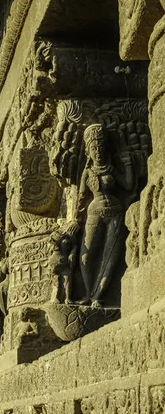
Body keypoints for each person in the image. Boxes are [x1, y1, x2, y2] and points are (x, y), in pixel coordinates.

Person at [76, 124, 134, 307]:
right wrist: (75, 221)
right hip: (94, 212)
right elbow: (80, 199)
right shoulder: (87, 172)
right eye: (94, 148)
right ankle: (87, 293)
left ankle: (98, 296)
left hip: (116, 212)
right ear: (88, 151)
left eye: (101, 147)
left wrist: (127, 161)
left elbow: (128, 185)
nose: (98, 152)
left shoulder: (111, 169)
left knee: (110, 256)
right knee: (85, 257)